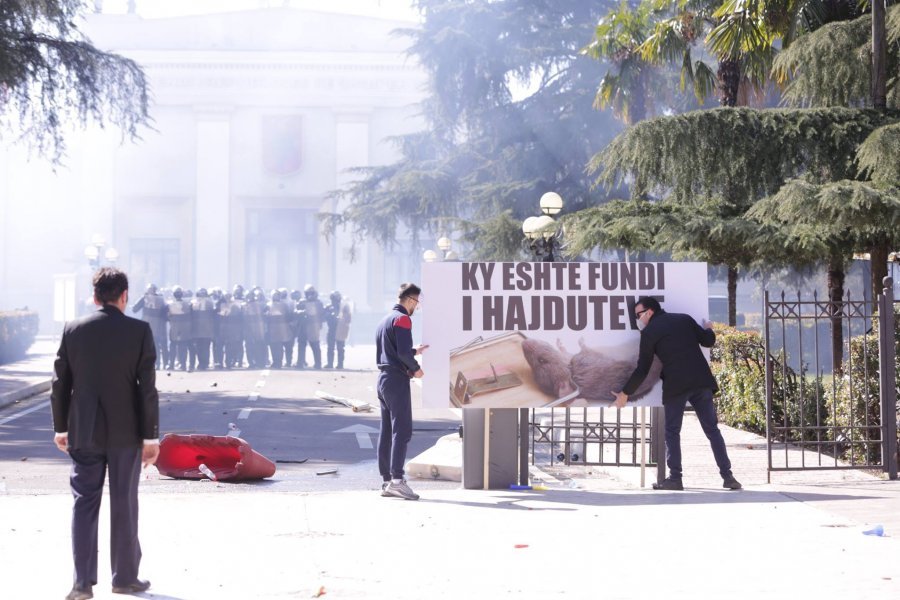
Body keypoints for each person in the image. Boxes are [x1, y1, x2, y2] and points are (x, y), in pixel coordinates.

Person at [50, 267, 159, 600]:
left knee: (84, 504)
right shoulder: (139, 330)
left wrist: (61, 428)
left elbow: (59, 384)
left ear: (94, 296)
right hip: (127, 434)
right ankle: (124, 579)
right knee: (124, 502)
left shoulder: (73, 329)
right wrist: (151, 438)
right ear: (124, 296)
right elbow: (147, 390)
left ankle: (81, 583)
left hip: (83, 431)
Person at [612, 295, 742, 491]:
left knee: (672, 432)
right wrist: (708, 328)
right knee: (712, 431)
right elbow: (707, 341)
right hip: (701, 381)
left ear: (650, 312)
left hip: (676, 386)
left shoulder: (649, 333)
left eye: (638, 315)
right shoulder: (684, 319)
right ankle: (728, 477)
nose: (637, 320)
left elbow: (642, 369)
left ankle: (675, 478)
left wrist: (625, 393)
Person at [375, 283, 428, 500]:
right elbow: (403, 353)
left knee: (387, 431)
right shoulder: (404, 319)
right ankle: (398, 480)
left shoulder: (385, 319)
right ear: (410, 300)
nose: (417, 307)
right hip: (397, 380)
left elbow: (393, 350)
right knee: (403, 431)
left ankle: (387, 480)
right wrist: (416, 368)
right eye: (417, 302)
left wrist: (416, 350)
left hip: (384, 379)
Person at [131, 283, 169, 369]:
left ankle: (153, 363)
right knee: (158, 345)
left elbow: (134, 309)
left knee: (148, 346)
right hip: (158, 327)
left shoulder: (144, 298)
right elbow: (166, 312)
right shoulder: (162, 299)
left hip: (146, 326)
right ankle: (161, 363)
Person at [324, 290, 351, 369]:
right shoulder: (328, 307)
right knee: (330, 347)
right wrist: (330, 315)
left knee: (340, 348)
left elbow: (348, 318)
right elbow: (324, 316)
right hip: (332, 328)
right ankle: (330, 363)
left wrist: (341, 319)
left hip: (340, 329)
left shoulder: (344, 307)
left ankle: (340, 364)